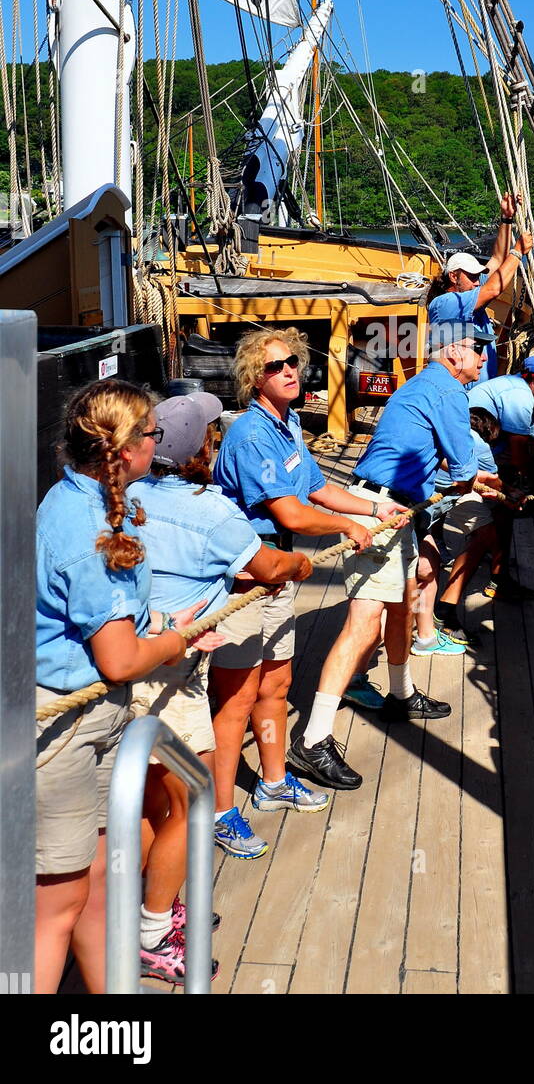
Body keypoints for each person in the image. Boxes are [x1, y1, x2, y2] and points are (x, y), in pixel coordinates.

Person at [129, 390, 313, 977]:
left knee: (148, 793)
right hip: (170, 672)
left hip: (128, 657)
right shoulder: (213, 512)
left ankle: (144, 901)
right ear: (196, 448)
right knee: (197, 794)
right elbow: (270, 566)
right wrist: (300, 565)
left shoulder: (127, 495)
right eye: (210, 435)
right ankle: (153, 931)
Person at [34, 381, 207, 995]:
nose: (158, 443)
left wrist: (160, 626)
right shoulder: (85, 527)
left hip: (96, 723)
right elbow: (120, 660)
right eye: (151, 434)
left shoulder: (85, 500)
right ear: (126, 449)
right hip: (62, 732)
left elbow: (118, 627)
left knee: (101, 880)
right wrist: (176, 643)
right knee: (55, 905)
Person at [212, 328, 405, 846]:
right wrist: (347, 527)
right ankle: (220, 809)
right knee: (236, 700)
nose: (291, 371)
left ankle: (273, 781)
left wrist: (373, 508)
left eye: (293, 361)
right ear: (256, 378)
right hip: (245, 580)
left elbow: (316, 487)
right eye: (276, 366)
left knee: (275, 684)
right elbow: (289, 510)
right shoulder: (251, 435)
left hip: (279, 572)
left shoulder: (289, 423)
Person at [288, 321, 493, 791]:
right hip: (380, 511)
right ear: (454, 352)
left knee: (402, 605)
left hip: (394, 507)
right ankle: (313, 737)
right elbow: (462, 469)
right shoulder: (449, 394)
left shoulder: (423, 385)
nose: (484, 359)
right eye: (478, 349)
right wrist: (468, 476)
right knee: (362, 627)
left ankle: (401, 694)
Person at [413, 407, 505, 652]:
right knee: (424, 571)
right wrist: (511, 494)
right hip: (417, 510)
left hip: (426, 502)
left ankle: (435, 623)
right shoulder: (480, 446)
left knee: (427, 566)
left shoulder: (443, 437)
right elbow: (493, 486)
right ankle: (432, 625)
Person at [426, 192, 534, 380]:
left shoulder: (471, 290)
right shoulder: (445, 303)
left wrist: (507, 218)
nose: (477, 282)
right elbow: (493, 289)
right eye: (471, 276)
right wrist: (517, 252)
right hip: (463, 394)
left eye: (478, 276)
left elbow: (498, 258)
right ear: (453, 276)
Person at [467, 352, 534, 467]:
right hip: (469, 449)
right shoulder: (521, 396)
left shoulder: (518, 383)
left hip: (470, 440)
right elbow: (518, 458)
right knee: (511, 458)